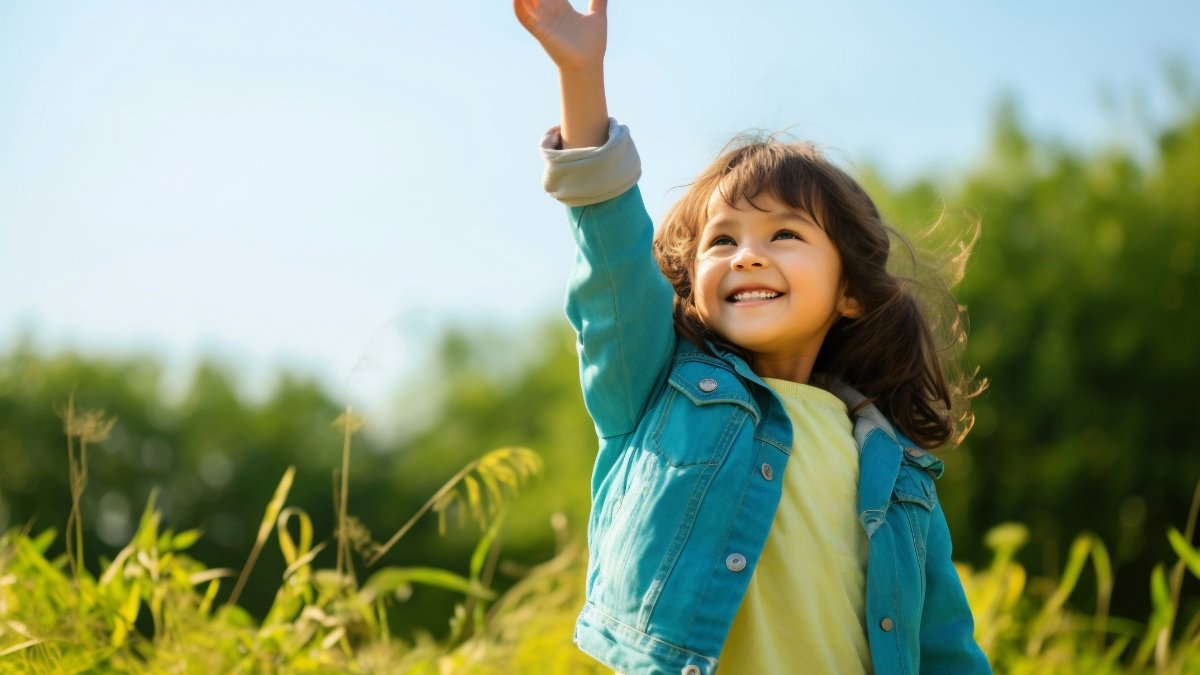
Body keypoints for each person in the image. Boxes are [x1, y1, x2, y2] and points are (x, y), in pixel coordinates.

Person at [514, 1, 991, 673]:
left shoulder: (896, 469)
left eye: (785, 234)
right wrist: (582, 74)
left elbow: (945, 647)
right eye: (722, 240)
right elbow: (613, 259)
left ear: (849, 290)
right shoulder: (655, 388)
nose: (746, 255)